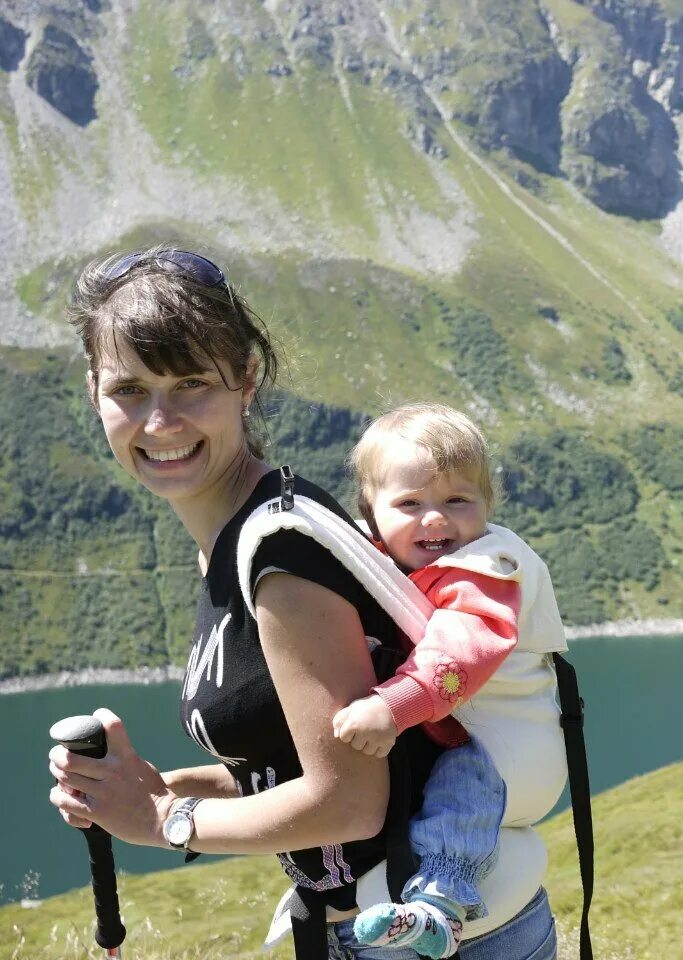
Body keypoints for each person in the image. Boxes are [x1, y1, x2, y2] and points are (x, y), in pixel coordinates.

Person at [46, 247, 558, 960]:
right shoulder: (236, 536)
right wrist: (142, 791)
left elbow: (349, 801)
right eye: (129, 390)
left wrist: (169, 820)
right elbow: (299, 756)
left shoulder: (280, 552)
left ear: (247, 380)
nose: (160, 421)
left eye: (192, 383)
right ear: (93, 389)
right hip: (400, 930)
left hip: (440, 940)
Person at [332, 402, 566, 958]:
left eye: (457, 501)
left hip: (507, 753)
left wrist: (395, 705)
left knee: (462, 789)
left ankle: (439, 907)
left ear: (489, 504)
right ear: (372, 512)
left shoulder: (486, 570)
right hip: (487, 740)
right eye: (410, 504)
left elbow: (465, 651)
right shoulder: (396, 558)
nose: (435, 519)